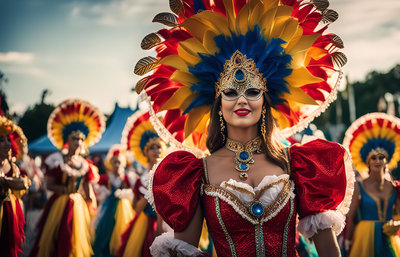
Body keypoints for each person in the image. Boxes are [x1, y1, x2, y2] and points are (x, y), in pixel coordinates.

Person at [132, 0, 354, 255]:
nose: (241, 99)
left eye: (252, 91)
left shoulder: (299, 165)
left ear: (265, 101)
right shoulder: (196, 173)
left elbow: (328, 251)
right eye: (229, 92)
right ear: (217, 104)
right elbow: (185, 251)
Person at [30, 99, 105, 257]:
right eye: (74, 139)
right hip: (59, 204)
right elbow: (49, 184)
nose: (77, 142)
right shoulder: (57, 159)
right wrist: (64, 189)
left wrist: (91, 202)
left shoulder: (85, 164)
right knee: (55, 239)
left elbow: (86, 186)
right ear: (66, 141)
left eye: (80, 139)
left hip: (78, 205)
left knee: (74, 241)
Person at [343, 112, 400, 257]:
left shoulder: (396, 187)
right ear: (367, 162)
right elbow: (351, 217)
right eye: (373, 158)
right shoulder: (360, 186)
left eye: (381, 157)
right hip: (364, 239)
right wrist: (347, 241)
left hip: (389, 237)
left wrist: (397, 225)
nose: (377, 161)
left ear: (386, 160)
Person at [117, 110, 165, 257]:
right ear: (145, 152)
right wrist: (148, 194)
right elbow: (137, 210)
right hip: (146, 225)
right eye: (152, 147)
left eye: (158, 146)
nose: (156, 151)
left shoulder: (167, 175)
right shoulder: (141, 180)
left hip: (167, 224)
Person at [92, 144, 135, 257]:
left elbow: (132, 192)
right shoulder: (106, 178)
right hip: (108, 207)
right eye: (114, 162)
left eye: (118, 162)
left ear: (123, 163)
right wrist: (103, 192)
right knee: (105, 230)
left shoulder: (126, 178)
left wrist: (126, 194)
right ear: (110, 164)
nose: (116, 165)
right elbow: (96, 188)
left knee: (122, 229)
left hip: (123, 208)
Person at [0, 116, 30, 257]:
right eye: (1, 140)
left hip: (10, 215)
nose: (7, 144)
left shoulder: (13, 167)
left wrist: (6, 181)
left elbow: (23, 184)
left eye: (8, 140)